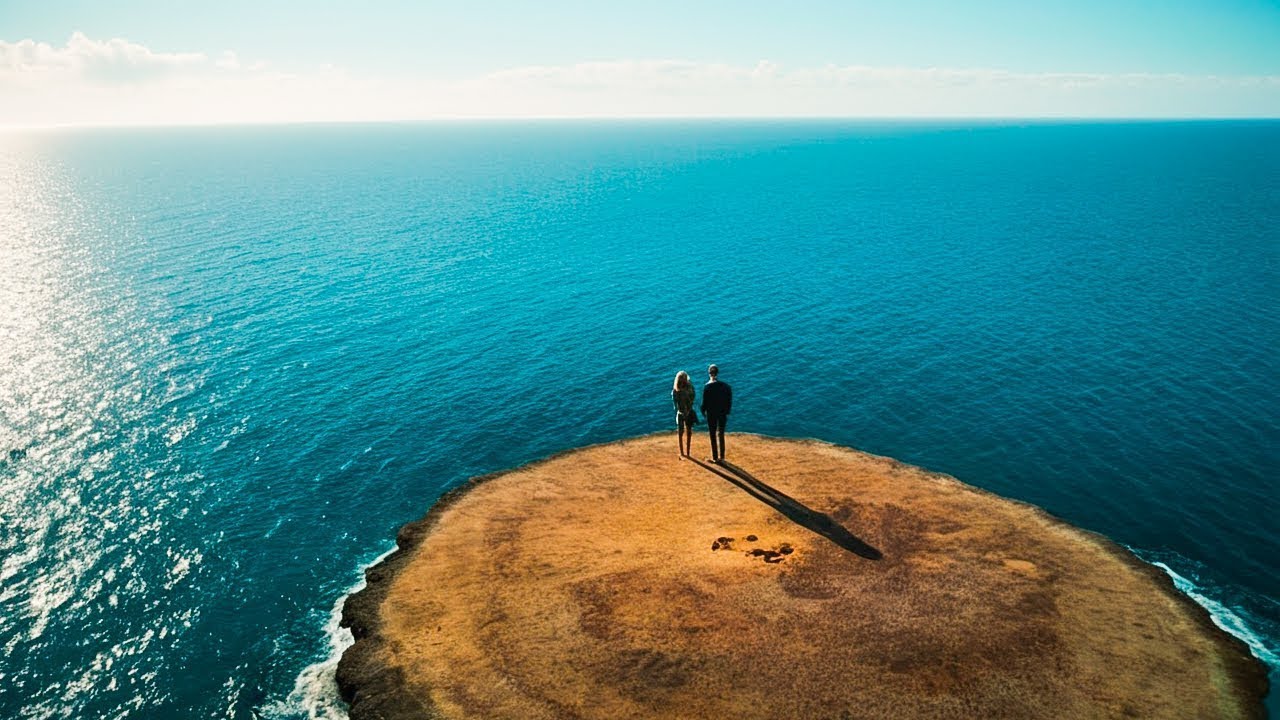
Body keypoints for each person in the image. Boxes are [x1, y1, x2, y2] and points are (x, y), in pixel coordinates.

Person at [700, 364, 732, 463]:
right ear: (717, 373)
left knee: (712, 435)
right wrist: (727, 411)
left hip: (711, 414)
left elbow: (704, 403)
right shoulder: (725, 386)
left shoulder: (707, 387)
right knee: (721, 434)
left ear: (709, 373)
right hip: (722, 413)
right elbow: (729, 399)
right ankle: (722, 457)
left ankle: (715, 457)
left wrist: (703, 411)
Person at [672, 371, 697, 458]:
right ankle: (687, 452)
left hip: (680, 413)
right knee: (688, 432)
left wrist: (678, 409)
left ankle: (682, 452)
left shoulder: (676, 390)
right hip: (688, 412)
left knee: (680, 433)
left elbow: (674, 403)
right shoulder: (689, 387)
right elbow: (693, 396)